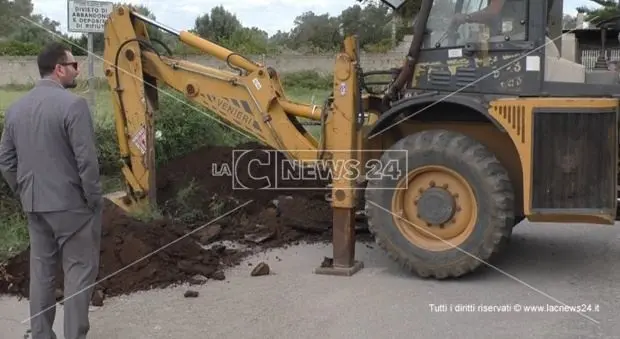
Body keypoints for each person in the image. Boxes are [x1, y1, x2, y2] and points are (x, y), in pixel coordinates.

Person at [0, 42, 102, 339]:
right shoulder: (74, 105)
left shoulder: (17, 108)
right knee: (79, 272)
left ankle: (42, 335)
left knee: (42, 274)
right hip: (73, 207)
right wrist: (93, 199)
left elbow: (5, 160)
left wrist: (23, 189)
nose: (76, 70)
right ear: (59, 69)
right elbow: (87, 161)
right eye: (73, 65)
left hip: (34, 204)